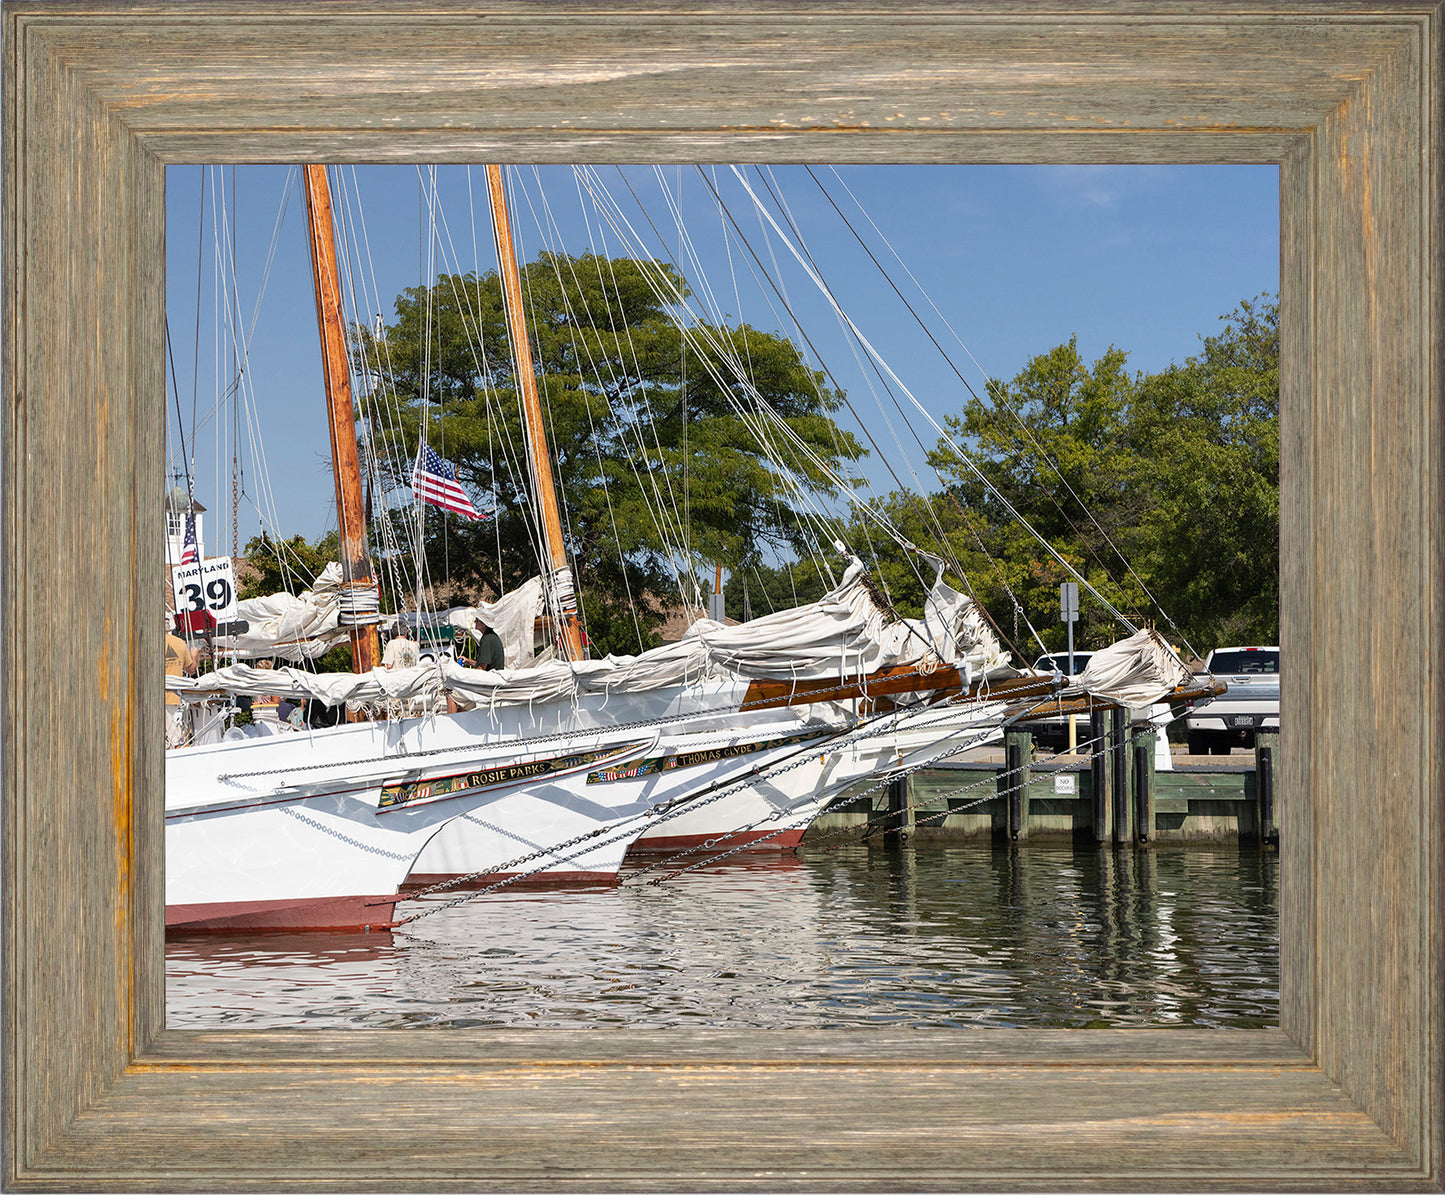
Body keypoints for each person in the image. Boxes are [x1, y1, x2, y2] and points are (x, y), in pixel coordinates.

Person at [164, 628, 196, 747]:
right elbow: (191, 669)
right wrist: (194, 656)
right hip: (174, 697)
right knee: (175, 739)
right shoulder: (179, 643)